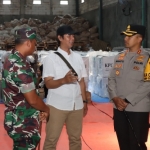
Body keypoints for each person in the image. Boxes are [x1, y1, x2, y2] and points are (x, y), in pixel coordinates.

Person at [2, 27, 50, 150]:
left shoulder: (10, 58)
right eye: (35, 43)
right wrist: (46, 109)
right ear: (28, 43)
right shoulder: (20, 66)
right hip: (23, 122)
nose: (35, 46)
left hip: (17, 116)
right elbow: (32, 99)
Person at [43, 25, 88, 150]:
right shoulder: (51, 59)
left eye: (73, 36)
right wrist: (63, 80)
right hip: (57, 105)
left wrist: (84, 102)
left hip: (76, 105)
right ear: (60, 38)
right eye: (69, 36)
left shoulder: (78, 58)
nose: (72, 38)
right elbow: (48, 83)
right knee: (51, 139)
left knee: (75, 139)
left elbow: (82, 81)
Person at [108, 24, 150, 150]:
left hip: (138, 108)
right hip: (119, 108)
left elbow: (148, 83)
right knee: (123, 143)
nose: (126, 38)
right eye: (125, 36)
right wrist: (115, 97)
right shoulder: (119, 57)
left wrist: (128, 100)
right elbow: (111, 79)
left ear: (139, 38)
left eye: (130, 36)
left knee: (137, 144)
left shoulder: (147, 58)